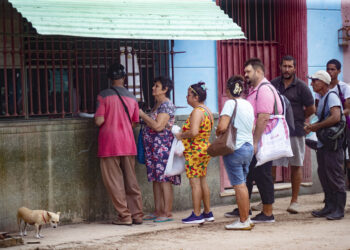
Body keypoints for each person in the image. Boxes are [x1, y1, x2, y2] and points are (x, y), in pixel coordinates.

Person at [95, 63, 143, 225]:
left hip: (109, 143)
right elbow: (135, 122)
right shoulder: (132, 97)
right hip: (128, 142)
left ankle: (124, 216)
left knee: (114, 181)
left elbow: (99, 120)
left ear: (109, 78)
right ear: (124, 78)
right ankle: (137, 215)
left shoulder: (103, 95)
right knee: (131, 180)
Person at [271, 55, 316, 214]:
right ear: (280, 67)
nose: (287, 69)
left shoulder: (302, 86)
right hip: (276, 132)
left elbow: (311, 108)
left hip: (296, 131)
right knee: (271, 165)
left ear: (295, 68)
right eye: (284, 66)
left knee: (296, 165)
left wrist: (298, 119)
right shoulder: (273, 84)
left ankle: (294, 201)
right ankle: (268, 200)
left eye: (290, 66)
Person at [244, 58, 283, 223]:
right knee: (250, 174)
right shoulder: (255, 90)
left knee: (263, 174)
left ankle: (268, 213)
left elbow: (263, 117)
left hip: (263, 140)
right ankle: (244, 208)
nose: (245, 75)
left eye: (248, 71)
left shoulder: (265, 90)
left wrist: (255, 141)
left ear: (258, 72)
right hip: (258, 139)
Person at [305, 70, 346, 220]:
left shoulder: (332, 97)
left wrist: (316, 126)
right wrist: (313, 126)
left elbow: (335, 117)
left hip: (332, 146)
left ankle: (339, 209)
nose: (312, 83)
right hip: (324, 144)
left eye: (315, 80)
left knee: (334, 176)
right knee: (325, 175)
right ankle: (329, 206)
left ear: (323, 82)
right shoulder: (323, 98)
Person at [139, 76, 180, 223]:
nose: (153, 88)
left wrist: (143, 115)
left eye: (156, 86)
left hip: (162, 147)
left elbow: (158, 126)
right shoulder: (157, 105)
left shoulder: (166, 106)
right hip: (153, 147)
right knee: (156, 178)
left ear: (165, 89)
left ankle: (167, 212)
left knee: (164, 178)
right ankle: (158, 210)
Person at [216, 76, 255, 230]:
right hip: (248, 148)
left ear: (228, 90)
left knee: (239, 186)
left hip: (235, 148)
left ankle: (243, 220)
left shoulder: (229, 103)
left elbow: (223, 126)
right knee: (243, 184)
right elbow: (251, 127)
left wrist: (218, 131)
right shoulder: (248, 104)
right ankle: (247, 218)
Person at [175, 82, 214, 224]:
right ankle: (207, 212)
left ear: (196, 97)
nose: (186, 97)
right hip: (204, 148)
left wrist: (181, 135)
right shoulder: (207, 110)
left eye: (188, 95)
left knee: (195, 183)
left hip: (195, 151)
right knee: (202, 181)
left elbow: (194, 132)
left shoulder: (197, 111)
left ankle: (197, 214)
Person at [325, 59, 350, 189]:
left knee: (346, 157)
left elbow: (348, 109)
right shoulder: (323, 87)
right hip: (328, 129)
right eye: (328, 69)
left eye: (333, 69)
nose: (330, 72)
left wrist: (335, 116)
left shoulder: (344, 88)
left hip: (344, 127)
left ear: (339, 71)